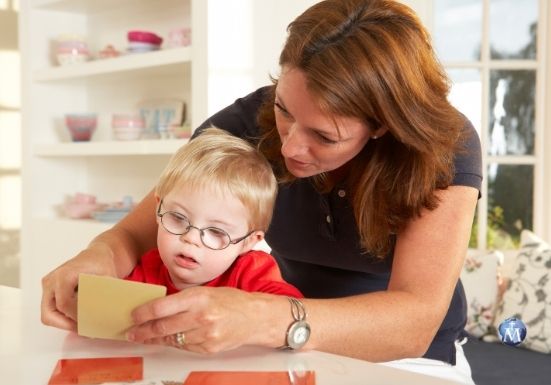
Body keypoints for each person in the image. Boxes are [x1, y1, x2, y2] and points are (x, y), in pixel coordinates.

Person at [41, 0, 482, 383]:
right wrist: (95, 257)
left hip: (409, 363)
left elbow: (413, 322)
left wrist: (261, 319)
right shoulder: (245, 122)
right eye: (284, 110)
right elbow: (138, 231)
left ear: (382, 125)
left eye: (324, 137)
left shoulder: (444, 147)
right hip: (279, 347)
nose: (289, 146)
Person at [124, 127, 302, 307]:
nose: (191, 238)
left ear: (248, 241)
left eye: (216, 231)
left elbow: (291, 312)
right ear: (158, 208)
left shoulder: (251, 271)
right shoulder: (147, 269)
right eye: (178, 218)